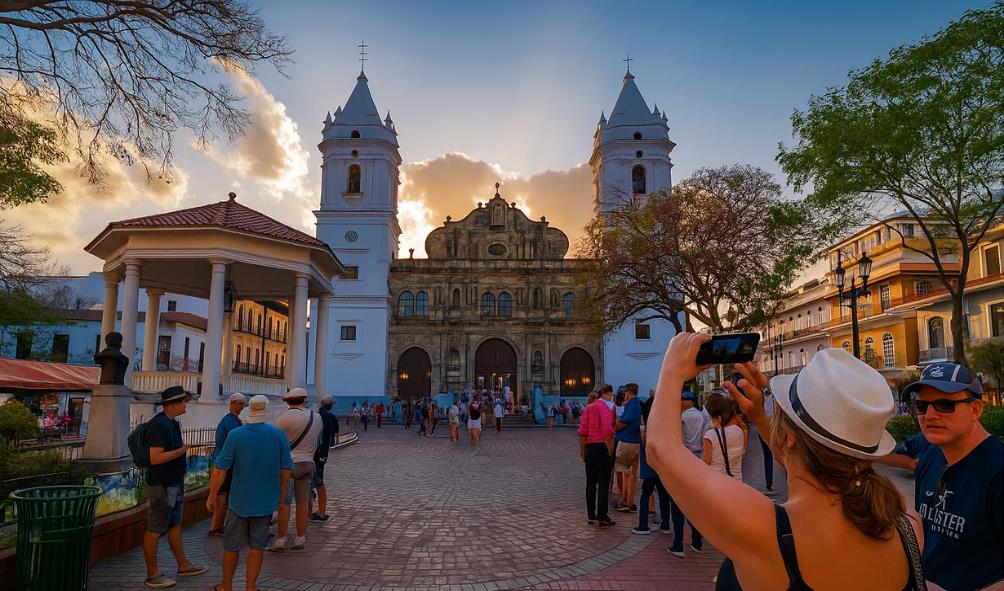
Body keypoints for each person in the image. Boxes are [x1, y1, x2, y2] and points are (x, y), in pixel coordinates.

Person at [647, 334, 925, 590]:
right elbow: (814, 465)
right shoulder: (906, 525)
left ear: (789, 438)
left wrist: (672, 369)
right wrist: (761, 418)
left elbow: (661, 449)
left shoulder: (766, 530)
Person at [882, 362, 1003, 591]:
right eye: (921, 405)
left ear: (976, 410)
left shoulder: (997, 471)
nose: (929, 415)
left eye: (945, 405)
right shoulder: (931, 454)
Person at [206, 395, 292, 591]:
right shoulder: (277, 435)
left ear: (248, 409)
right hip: (266, 500)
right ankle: (250, 587)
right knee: (257, 546)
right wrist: (280, 496)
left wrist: (212, 495)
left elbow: (220, 469)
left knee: (231, 546)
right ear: (266, 409)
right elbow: (285, 469)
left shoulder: (236, 434)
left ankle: (226, 585)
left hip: (238, 501)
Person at [142, 386, 208, 589]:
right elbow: (155, 457)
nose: (186, 404)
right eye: (183, 401)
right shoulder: (160, 425)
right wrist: (182, 451)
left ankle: (184, 565)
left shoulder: (171, 423)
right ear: (173, 404)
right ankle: (153, 574)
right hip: (163, 484)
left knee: (174, 524)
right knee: (155, 527)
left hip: (173, 483)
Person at [271, 388, 322, 551]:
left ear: (287, 401)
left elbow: (277, 444)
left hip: (288, 465)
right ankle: (300, 538)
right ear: (304, 400)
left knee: (284, 503)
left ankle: (281, 539)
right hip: (308, 463)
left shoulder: (282, 419)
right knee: (302, 502)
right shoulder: (316, 417)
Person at [668, 390, 707, 556]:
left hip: (683, 458)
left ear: (687, 402)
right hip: (698, 458)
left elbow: (677, 438)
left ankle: (678, 543)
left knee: (677, 503)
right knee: (694, 502)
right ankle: (697, 539)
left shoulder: (682, 417)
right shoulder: (702, 416)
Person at [633, 388, 671, 535]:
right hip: (661, 467)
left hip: (649, 466)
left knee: (645, 495)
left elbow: (643, 445)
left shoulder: (645, 429)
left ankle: (643, 525)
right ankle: (666, 524)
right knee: (663, 495)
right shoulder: (663, 426)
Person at [208, 393, 245, 537]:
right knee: (222, 495)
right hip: (225, 464)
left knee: (223, 495)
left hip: (222, 461)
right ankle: (216, 526)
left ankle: (218, 525)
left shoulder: (230, 420)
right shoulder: (231, 421)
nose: (242, 408)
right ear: (234, 403)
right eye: (241, 404)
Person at [578, 386, 616, 527]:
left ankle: (590, 515)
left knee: (590, 483)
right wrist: (610, 450)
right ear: (605, 394)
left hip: (589, 447)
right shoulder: (604, 408)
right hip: (601, 447)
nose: (611, 397)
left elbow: (582, 431)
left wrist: (582, 451)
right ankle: (602, 515)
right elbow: (608, 430)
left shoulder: (589, 408)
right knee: (603, 483)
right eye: (610, 394)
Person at [702, 393, 745, 481]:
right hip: (737, 480)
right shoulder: (739, 430)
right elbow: (743, 453)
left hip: (717, 479)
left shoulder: (710, 435)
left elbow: (707, 462)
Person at [614, 383, 643, 512]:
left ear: (629, 392)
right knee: (631, 473)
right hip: (634, 440)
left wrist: (614, 427)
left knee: (625, 472)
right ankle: (629, 501)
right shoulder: (638, 403)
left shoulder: (632, 403)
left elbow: (625, 421)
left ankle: (627, 501)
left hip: (627, 441)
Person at [310, 395, 338, 523]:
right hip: (323, 453)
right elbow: (334, 435)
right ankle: (321, 511)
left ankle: (308, 512)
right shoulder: (331, 417)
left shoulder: (314, 415)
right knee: (320, 482)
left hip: (310, 452)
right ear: (331, 405)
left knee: (307, 483)